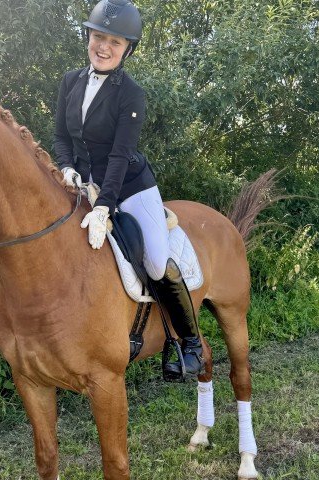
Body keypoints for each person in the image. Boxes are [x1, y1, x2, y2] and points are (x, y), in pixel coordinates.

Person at [53, 0, 204, 377]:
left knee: (154, 260)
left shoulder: (131, 94)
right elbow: (60, 136)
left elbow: (120, 156)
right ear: (88, 36)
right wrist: (67, 168)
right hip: (84, 184)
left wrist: (104, 206)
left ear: (127, 49)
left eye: (115, 42)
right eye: (99, 36)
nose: (104, 47)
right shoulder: (70, 81)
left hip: (131, 188)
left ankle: (188, 343)